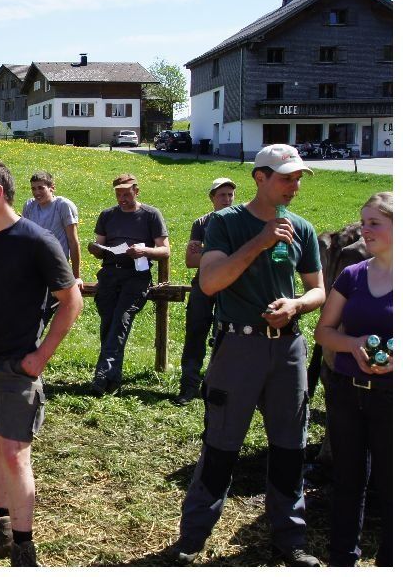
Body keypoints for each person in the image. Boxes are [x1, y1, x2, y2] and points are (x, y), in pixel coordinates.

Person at [167, 144, 325, 566]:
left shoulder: (303, 229)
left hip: (288, 349)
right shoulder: (225, 223)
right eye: (286, 178)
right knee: (221, 444)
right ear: (260, 178)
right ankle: (192, 538)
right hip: (238, 348)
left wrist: (297, 305)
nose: (294, 186)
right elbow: (210, 282)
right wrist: (260, 241)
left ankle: (290, 540)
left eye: (297, 178)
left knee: (290, 446)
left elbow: (318, 289)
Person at [0, 159, 82, 567]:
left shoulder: (38, 241)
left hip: (17, 367)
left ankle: (24, 549)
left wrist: (41, 356)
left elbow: (71, 302)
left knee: (14, 453)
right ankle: (2, 531)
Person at [313, 192, 392, 567]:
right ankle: (342, 561)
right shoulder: (352, 275)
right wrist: (353, 344)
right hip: (346, 392)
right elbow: (324, 333)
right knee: (348, 482)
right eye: (363, 222)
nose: (365, 230)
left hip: (391, 397)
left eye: (375, 223)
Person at [86, 173, 170, 395]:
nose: (122, 199)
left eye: (126, 194)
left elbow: (165, 250)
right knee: (109, 324)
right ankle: (113, 380)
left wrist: (144, 251)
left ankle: (101, 376)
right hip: (109, 273)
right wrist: (95, 249)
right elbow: (99, 244)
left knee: (121, 321)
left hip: (136, 275)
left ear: (136, 191)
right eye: (118, 195)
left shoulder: (151, 215)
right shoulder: (107, 215)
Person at [172, 178, 236, 405]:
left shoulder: (240, 221)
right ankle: (189, 385)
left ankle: (217, 386)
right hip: (203, 283)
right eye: (222, 195)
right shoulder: (201, 223)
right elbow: (190, 260)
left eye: (230, 195)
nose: (227, 199)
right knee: (195, 332)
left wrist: (207, 254)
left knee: (225, 335)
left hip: (231, 286)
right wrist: (227, 257)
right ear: (212, 198)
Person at [20, 171, 82, 325]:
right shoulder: (29, 206)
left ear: (52, 187)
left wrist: (76, 276)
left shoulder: (63, 206)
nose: (36, 192)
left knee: (40, 317)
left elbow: (73, 241)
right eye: (33, 188)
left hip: (55, 267)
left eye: (41, 188)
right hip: (33, 268)